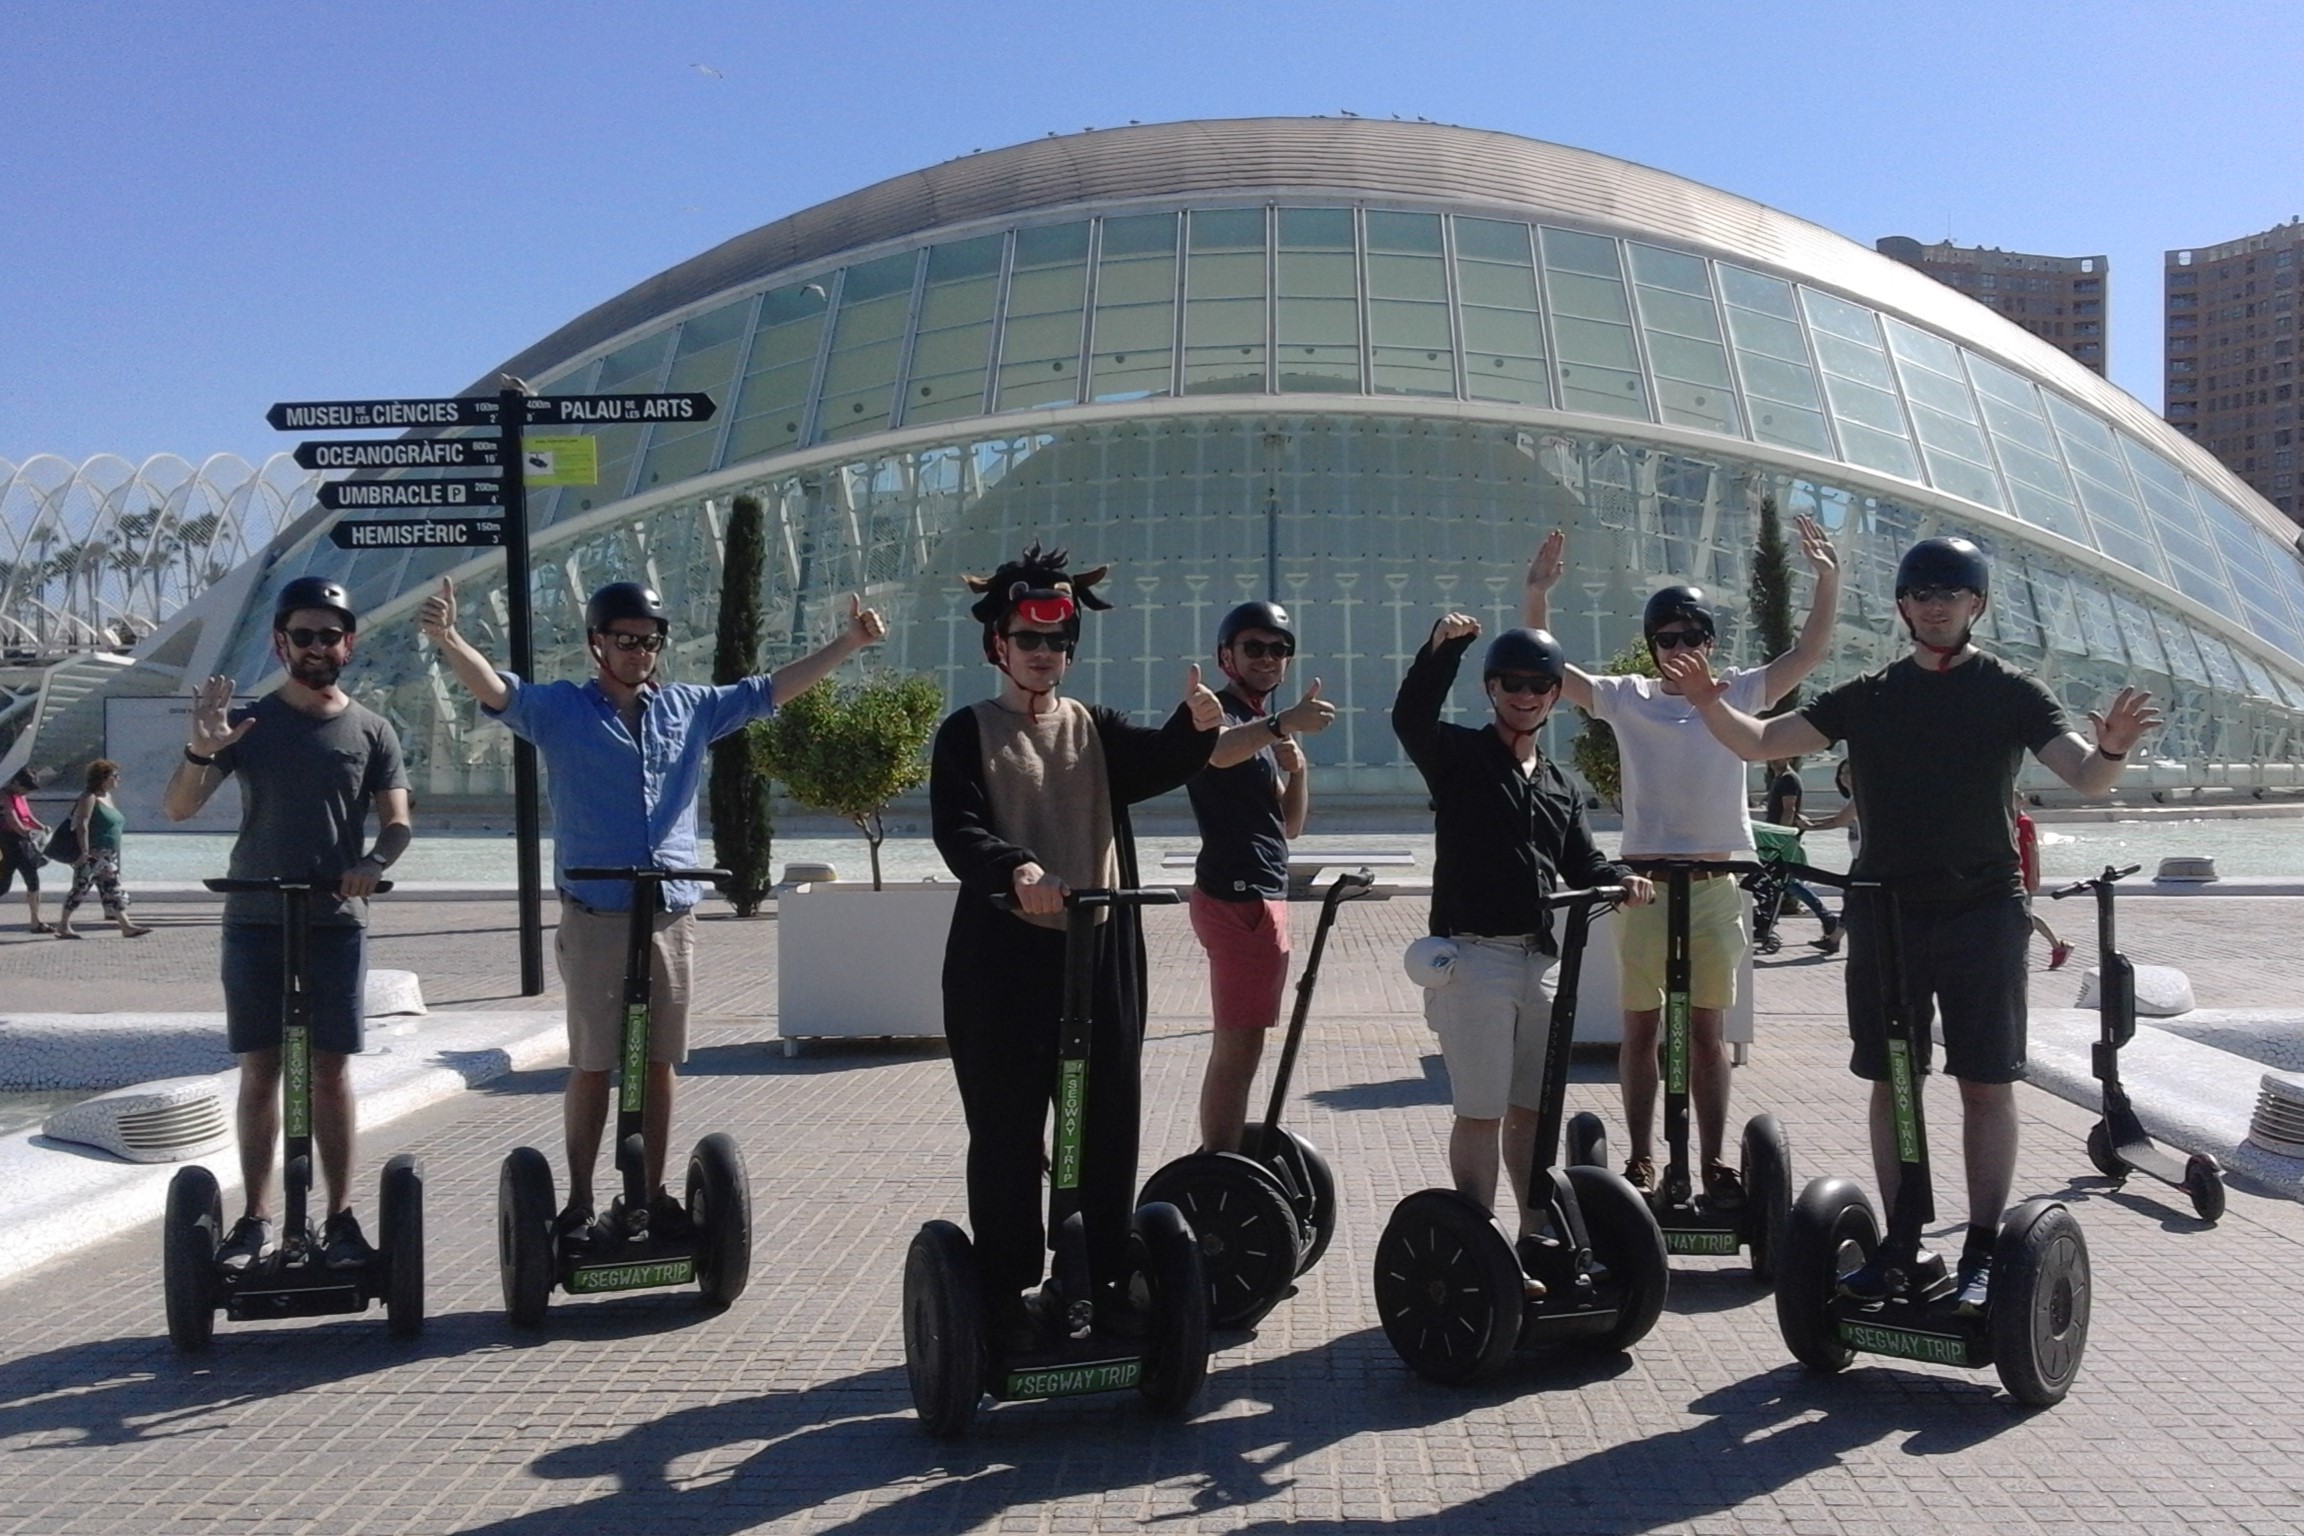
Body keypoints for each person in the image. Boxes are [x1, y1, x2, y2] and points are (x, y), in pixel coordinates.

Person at [1662, 534, 2160, 1313]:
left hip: (1983, 910)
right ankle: (1901, 1240)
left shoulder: (2011, 690)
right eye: (1922, 593)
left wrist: (2113, 748)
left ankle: (1984, 1248)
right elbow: (1762, 743)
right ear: (1902, 607)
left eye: (1951, 593)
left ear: (1976, 605)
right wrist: (1704, 702)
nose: (1935, 605)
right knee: (1893, 1079)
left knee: (1984, 1083)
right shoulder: (1870, 693)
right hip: (1887, 911)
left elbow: (2087, 777)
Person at [421, 575, 885, 1247]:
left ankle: (649, 1194)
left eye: (649, 642)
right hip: (599, 911)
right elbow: (498, 691)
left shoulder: (688, 708)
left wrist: (847, 643)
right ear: (595, 644)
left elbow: (767, 691)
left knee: (662, 1061)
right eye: (625, 641)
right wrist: (449, 638)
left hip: (668, 912)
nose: (640, 652)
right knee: (594, 1062)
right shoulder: (559, 710)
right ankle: (579, 1201)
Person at [930, 544, 1221, 1345]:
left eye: (1058, 644)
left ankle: (1098, 1277)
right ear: (999, 645)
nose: (1045, 654)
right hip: (1001, 961)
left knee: (1104, 1124)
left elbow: (1159, 761)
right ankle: (1002, 1290)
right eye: (1030, 640)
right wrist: (1015, 866)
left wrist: (1194, 730)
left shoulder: (1094, 728)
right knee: (1007, 1133)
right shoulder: (968, 733)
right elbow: (957, 828)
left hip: (1095, 958)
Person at [1523, 515, 1841, 1204]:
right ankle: (1639, 1158)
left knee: (1706, 1032)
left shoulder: (1739, 691)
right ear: (1650, 645)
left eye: (1692, 636)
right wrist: (1538, 595)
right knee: (1639, 1029)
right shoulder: (1627, 697)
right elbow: (1552, 668)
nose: (1680, 649)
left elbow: (1809, 653)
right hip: (1642, 884)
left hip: (1713, 883)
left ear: (1710, 640)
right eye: (1666, 638)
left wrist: (1826, 578)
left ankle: (1716, 1162)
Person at [163, 576, 414, 1271]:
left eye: (329, 635)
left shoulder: (372, 729)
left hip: (334, 918)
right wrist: (201, 750)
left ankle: (338, 1217)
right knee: (261, 1069)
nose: (316, 646)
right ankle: (255, 1218)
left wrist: (371, 860)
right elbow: (180, 807)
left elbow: (397, 823)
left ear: (348, 643)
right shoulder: (246, 723)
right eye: (303, 635)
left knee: (330, 1071)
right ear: (281, 642)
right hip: (255, 916)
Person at [1391, 615, 1650, 1266]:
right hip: (1474, 958)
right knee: (1480, 1112)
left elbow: (1584, 863)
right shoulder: (1458, 758)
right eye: (1512, 682)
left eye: (1541, 683)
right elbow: (1410, 718)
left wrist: (1621, 879)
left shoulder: (1559, 784)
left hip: (1540, 965)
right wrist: (1442, 651)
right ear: (1492, 687)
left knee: (1531, 1110)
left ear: (1557, 694)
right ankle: (1476, 1245)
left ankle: (1534, 1232)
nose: (1526, 694)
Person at [1184, 600, 1337, 1153]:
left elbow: (1289, 828)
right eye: (1255, 647)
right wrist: (1280, 723)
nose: (1269, 658)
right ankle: (1216, 1163)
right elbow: (1215, 754)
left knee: (1246, 1045)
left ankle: (1221, 1157)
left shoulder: (1261, 733)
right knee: (1237, 1047)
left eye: (1279, 649)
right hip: (1235, 897)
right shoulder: (1216, 713)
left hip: (1263, 894)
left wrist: (1297, 770)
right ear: (1227, 656)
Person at [55, 761, 153, 940]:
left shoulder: (107, 797)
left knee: (113, 889)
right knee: (80, 888)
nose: (118, 780)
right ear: (103, 778)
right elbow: (82, 824)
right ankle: (63, 925)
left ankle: (126, 926)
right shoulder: (89, 797)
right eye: (114, 776)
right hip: (93, 853)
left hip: (108, 855)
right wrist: (84, 851)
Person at [1759, 757, 1839, 950]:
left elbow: (1789, 809)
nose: (1773, 758)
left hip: (1779, 839)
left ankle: (1826, 917)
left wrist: (1781, 836)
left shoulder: (1788, 779)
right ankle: (1766, 922)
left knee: (1785, 880)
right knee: (1778, 880)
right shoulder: (1778, 779)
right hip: (1774, 838)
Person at [1800, 758, 1861, 954]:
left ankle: (1836, 939)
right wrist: (1810, 823)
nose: (1846, 777)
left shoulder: (1860, 797)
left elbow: (1838, 821)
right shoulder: (1854, 798)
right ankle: (1834, 939)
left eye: (1850, 772)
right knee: (1851, 898)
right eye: (1842, 773)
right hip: (1859, 856)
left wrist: (1809, 826)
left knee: (1853, 898)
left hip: (1867, 857)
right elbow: (1841, 819)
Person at [2014, 788, 2072, 970]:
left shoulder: (2024, 822)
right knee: (2019, 914)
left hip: (2023, 874)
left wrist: (2033, 875)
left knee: (2024, 914)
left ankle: (2057, 946)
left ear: (2021, 802)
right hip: (2012, 873)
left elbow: (2033, 849)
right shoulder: (2010, 821)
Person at [1, 767, 52, 934]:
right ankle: (35, 922)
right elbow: (13, 820)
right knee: (27, 878)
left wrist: (41, 827)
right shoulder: (4, 796)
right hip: (11, 841)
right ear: (15, 783)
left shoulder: (19, 796)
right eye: (25, 789)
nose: (26, 794)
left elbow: (27, 816)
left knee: (7, 882)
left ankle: (36, 921)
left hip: (21, 840)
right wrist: (27, 834)